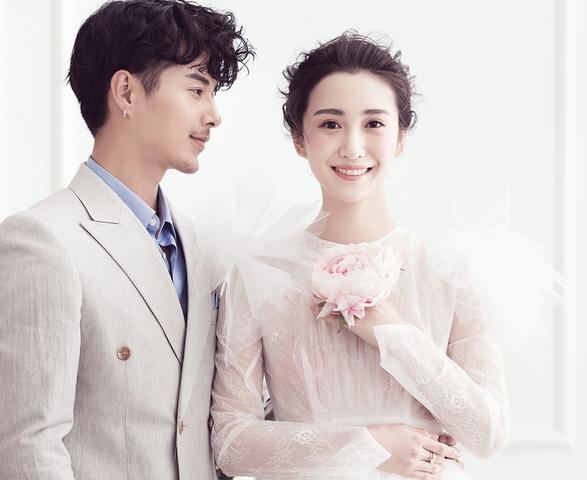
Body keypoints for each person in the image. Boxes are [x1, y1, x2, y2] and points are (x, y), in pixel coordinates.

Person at [209, 32, 511, 480]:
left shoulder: (450, 268)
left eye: (373, 124)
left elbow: (488, 432)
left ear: (400, 137)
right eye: (331, 124)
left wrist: (391, 333)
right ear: (299, 138)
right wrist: (370, 447)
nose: (352, 147)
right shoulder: (259, 271)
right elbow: (230, 442)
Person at [0, 1, 252, 479]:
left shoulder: (204, 246)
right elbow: (30, 446)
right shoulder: (41, 240)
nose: (214, 115)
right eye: (197, 89)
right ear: (126, 90)